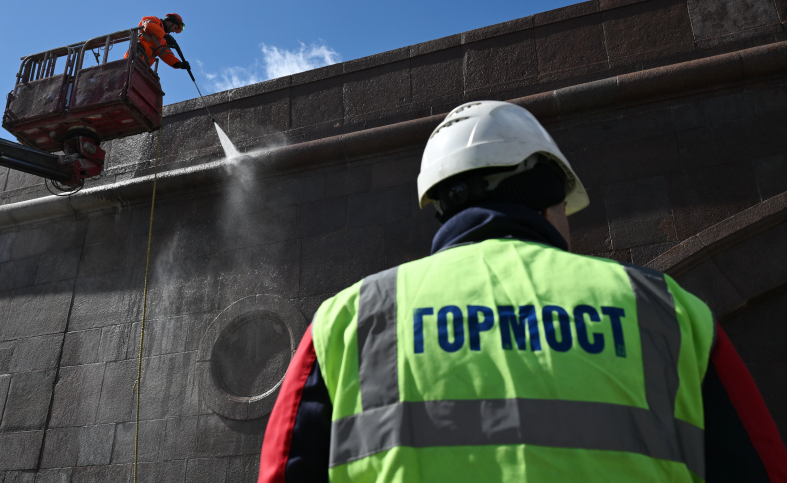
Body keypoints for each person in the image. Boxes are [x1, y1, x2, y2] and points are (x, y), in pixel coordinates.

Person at [258, 101, 787, 482]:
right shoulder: (667, 310)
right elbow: (762, 468)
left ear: (439, 203)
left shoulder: (348, 320)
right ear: (547, 197)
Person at [124, 13, 190, 70]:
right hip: (137, 53)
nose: (173, 31)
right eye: (175, 28)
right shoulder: (156, 21)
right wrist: (165, 35)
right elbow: (148, 26)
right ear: (170, 21)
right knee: (132, 72)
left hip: (145, 64)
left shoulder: (164, 41)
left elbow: (166, 54)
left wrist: (178, 64)